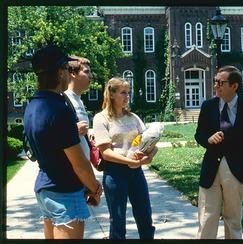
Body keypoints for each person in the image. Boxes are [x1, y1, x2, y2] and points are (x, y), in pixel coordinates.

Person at [24, 45, 103, 239]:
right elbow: (79, 163)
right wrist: (94, 188)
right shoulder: (59, 110)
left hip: (45, 189)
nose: (70, 73)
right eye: (68, 69)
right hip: (65, 191)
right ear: (60, 73)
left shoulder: (33, 106)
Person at [194, 65, 243, 239]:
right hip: (211, 169)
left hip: (237, 172)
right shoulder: (208, 106)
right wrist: (208, 140)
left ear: (234, 86)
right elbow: (199, 134)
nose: (216, 85)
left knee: (233, 220)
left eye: (221, 82)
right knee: (206, 218)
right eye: (215, 81)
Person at [92, 77, 157, 240]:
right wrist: (132, 161)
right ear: (111, 94)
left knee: (145, 218)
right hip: (115, 174)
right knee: (118, 221)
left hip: (137, 173)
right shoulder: (101, 118)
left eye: (128, 93)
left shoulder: (133, 118)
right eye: (123, 93)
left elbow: (151, 143)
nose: (127, 96)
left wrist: (149, 155)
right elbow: (105, 152)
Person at [64, 56, 93, 160]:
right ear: (72, 73)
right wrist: (74, 131)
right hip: (70, 169)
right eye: (86, 72)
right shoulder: (63, 99)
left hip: (83, 167)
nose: (91, 76)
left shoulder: (79, 101)